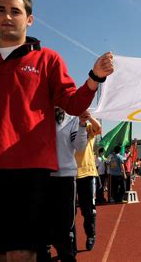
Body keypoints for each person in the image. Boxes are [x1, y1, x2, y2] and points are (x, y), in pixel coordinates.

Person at [0, 0, 114, 261]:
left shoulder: (47, 60)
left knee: (24, 252)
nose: (7, 16)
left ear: (29, 19)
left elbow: (72, 104)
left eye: (15, 11)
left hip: (30, 171)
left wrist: (95, 77)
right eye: (1, 10)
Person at [43, 107, 88, 262]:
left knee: (64, 227)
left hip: (65, 178)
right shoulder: (40, 116)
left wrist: (82, 124)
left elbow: (80, 146)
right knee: (43, 225)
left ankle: (68, 257)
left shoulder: (72, 119)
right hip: (43, 177)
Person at [75, 111, 101, 251]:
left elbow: (98, 128)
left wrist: (88, 116)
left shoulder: (88, 128)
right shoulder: (66, 126)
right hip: (69, 174)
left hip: (87, 173)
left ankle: (91, 235)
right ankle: (70, 242)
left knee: (88, 210)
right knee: (69, 211)